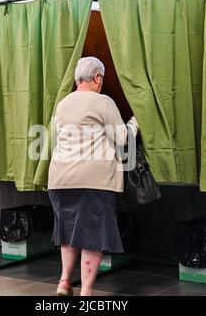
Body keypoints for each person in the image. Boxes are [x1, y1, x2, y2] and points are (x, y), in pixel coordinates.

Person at [47, 56, 139, 296]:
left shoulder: (63, 103)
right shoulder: (103, 102)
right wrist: (135, 124)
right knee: (93, 236)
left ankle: (65, 282)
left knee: (68, 234)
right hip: (93, 181)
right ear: (97, 78)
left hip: (59, 179)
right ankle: (86, 291)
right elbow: (122, 138)